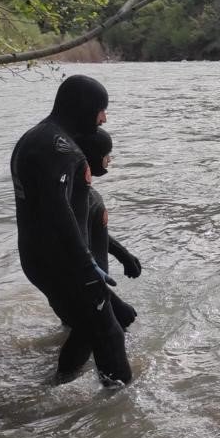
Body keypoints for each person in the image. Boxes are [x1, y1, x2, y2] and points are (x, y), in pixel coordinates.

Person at [10, 75, 131, 387]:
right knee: (108, 333)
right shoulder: (58, 147)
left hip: (45, 258)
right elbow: (57, 210)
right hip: (62, 261)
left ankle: (57, 388)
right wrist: (85, 264)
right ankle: (119, 412)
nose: (104, 117)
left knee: (93, 327)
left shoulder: (38, 137)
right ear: (84, 107)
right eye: (101, 109)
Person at [74, 129, 141, 330]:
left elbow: (95, 232)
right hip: (88, 290)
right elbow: (76, 253)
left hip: (91, 289)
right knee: (108, 341)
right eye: (106, 154)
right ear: (93, 156)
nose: (109, 159)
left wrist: (123, 255)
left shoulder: (84, 193)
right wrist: (115, 303)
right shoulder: (78, 199)